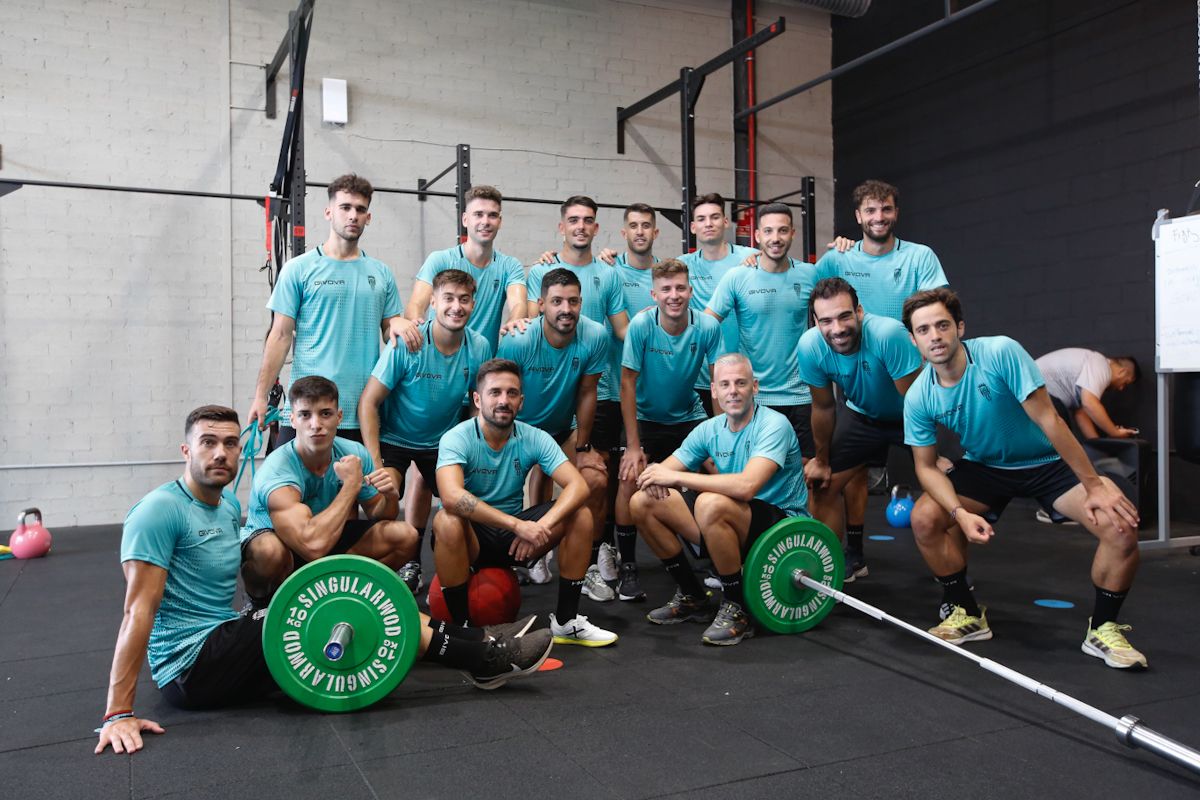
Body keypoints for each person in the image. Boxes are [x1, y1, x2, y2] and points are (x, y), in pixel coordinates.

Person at [95, 406, 553, 755]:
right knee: (334, 608)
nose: (220, 453)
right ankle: (484, 656)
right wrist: (119, 712)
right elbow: (137, 611)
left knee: (345, 612)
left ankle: (475, 642)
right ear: (186, 451)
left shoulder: (225, 506)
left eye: (231, 444)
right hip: (190, 667)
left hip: (221, 635)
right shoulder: (159, 510)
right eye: (208, 443)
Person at [901, 288, 1145, 668]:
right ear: (913, 339)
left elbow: (1050, 419)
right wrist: (959, 514)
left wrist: (1095, 485)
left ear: (959, 327)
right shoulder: (919, 396)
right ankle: (966, 613)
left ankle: (1103, 628)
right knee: (925, 517)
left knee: (1120, 526)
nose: (935, 336)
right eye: (923, 330)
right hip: (986, 468)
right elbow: (925, 466)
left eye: (942, 325)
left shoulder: (999, 353)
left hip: (1047, 461)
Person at [813, 179, 950, 577]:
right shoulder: (838, 259)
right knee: (826, 484)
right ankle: (836, 563)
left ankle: (955, 585)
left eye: (885, 209)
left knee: (943, 490)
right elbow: (793, 282)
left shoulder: (919, 257)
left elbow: (937, 311)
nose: (878, 217)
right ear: (857, 217)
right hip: (861, 406)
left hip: (913, 404)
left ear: (895, 212)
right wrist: (752, 261)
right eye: (870, 211)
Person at [432, 358, 619, 646]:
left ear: (521, 401)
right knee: (446, 519)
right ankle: (463, 632)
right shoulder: (457, 437)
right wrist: (518, 525)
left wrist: (542, 525)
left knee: (579, 514)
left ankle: (567, 621)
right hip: (472, 539)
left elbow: (578, 486)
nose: (504, 400)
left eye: (512, 393)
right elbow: (451, 496)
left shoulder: (535, 437)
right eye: (495, 393)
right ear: (478, 399)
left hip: (513, 540)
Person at [396, 185, 528, 589]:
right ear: (465, 220)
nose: (485, 221)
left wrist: (516, 320)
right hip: (440, 367)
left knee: (471, 469)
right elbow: (418, 305)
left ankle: (483, 549)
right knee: (423, 473)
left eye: (492, 215)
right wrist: (414, 328)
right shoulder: (441, 260)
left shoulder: (509, 265)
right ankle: (413, 559)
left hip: (478, 372)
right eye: (478, 215)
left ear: (499, 221)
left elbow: (519, 302)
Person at [629, 354, 808, 646]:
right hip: (737, 519)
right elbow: (660, 472)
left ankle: (738, 606)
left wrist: (677, 478)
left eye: (740, 383)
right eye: (724, 384)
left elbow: (747, 486)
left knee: (709, 502)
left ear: (755, 387)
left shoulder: (774, 424)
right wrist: (652, 476)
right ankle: (693, 596)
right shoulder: (710, 429)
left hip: (783, 528)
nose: (733, 391)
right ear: (714, 391)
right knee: (641, 502)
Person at [359, 269, 493, 592]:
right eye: (448, 299)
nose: (456, 307)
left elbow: (478, 402)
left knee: (461, 505)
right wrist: (376, 464)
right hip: (395, 438)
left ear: (473, 304)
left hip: (441, 442)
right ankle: (407, 564)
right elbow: (368, 402)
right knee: (385, 501)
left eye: (464, 300)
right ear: (432, 302)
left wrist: (470, 445)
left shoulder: (479, 347)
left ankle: (458, 572)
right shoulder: (408, 343)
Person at [247, 174, 406, 445]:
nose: (353, 215)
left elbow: (390, 331)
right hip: (307, 410)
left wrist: (400, 324)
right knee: (292, 487)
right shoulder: (299, 269)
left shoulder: (382, 274)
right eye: (345, 208)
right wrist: (261, 396)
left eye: (360, 209)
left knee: (357, 487)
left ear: (368, 217)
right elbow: (280, 336)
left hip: (361, 413)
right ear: (329, 212)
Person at [523, 197, 631, 588]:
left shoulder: (606, 281)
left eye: (588, 220)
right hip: (535, 406)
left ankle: (590, 554)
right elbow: (530, 322)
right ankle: (532, 547)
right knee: (536, 469)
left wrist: (664, 328)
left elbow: (620, 332)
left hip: (583, 399)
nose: (581, 226)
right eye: (574, 220)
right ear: (562, 226)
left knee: (596, 475)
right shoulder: (541, 275)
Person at [239, 376, 415, 608]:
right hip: (284, 545)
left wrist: (391, 496)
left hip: (325, 535)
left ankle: (340, 596)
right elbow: (312, 547)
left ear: (339, 417)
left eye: (325, 413)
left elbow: (382, 515)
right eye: (305, 415)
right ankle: (259, 606)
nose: (315, 424)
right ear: (291, 419)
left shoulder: (354, 453)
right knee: (270, 552)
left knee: (405, 536)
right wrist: (351, 485)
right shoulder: (278, 469)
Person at [497, 268, 612, 601]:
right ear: (541, 304)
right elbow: (500, 393)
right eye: (557, 301)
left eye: (573, 301)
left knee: (597, 479)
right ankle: (517, 555)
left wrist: (584, 446)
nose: (566, 309)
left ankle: (584, 564)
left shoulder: (595, 335)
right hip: (518, 430)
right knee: (496, 490)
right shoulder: (518, 340)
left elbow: (588, 392)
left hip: (562, 428)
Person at [797, 278, 923, 580]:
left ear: (860, 311)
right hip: (861, 415)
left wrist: (934, 460)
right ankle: (830, 567)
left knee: (944, 489)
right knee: (823, 484)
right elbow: (824, 407)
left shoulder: (888, 335)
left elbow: (918, 403)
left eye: (844, 316)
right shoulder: (810, 346)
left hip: (909, 416)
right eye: (826, 320)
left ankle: (955, 578)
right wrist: (822, 461)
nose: (837, 328)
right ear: (815, 321)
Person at [618, 259, 723, 601]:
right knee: (630, 478)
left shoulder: (707, 327)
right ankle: (628, 567)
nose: (674, 295)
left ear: (690, 291)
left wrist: (723, 439)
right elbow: (627, 384)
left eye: (680, 288)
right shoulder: (641, 326)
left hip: (689, 415)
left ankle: (716, 558)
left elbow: (719, 382)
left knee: (721, 472)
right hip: (647, 418)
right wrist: (633, 447)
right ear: (654, 294)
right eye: (666, 289)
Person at [705, 203, 816, 458]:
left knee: (808, 476)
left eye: (782, 230)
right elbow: (705, 325)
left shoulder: (810, 274)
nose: (775, 238)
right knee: (754, 478)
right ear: (757, 236)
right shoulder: (738, 276)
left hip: (800, 396)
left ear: (793, 234)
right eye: (768, 231)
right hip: (755, 397)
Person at [678, 193, 757, 416]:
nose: (708, 223)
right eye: (701, 219)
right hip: (698, 375)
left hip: (738, 376)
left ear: (725, 222)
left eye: (714, 217)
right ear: (693, 227)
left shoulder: (750, 258)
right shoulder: (682, 265)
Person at [1034, 348, 1140, 439]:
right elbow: (1089, 403)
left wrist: (1097, 444)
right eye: (1125, 383)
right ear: (1123, 372)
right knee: (1063, 441)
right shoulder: (1101, 365)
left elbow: (1081, 413)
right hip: (1038, 393)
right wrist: (1115, 432)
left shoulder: (1092, 367)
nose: (1121, 388)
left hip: (1033, 395)